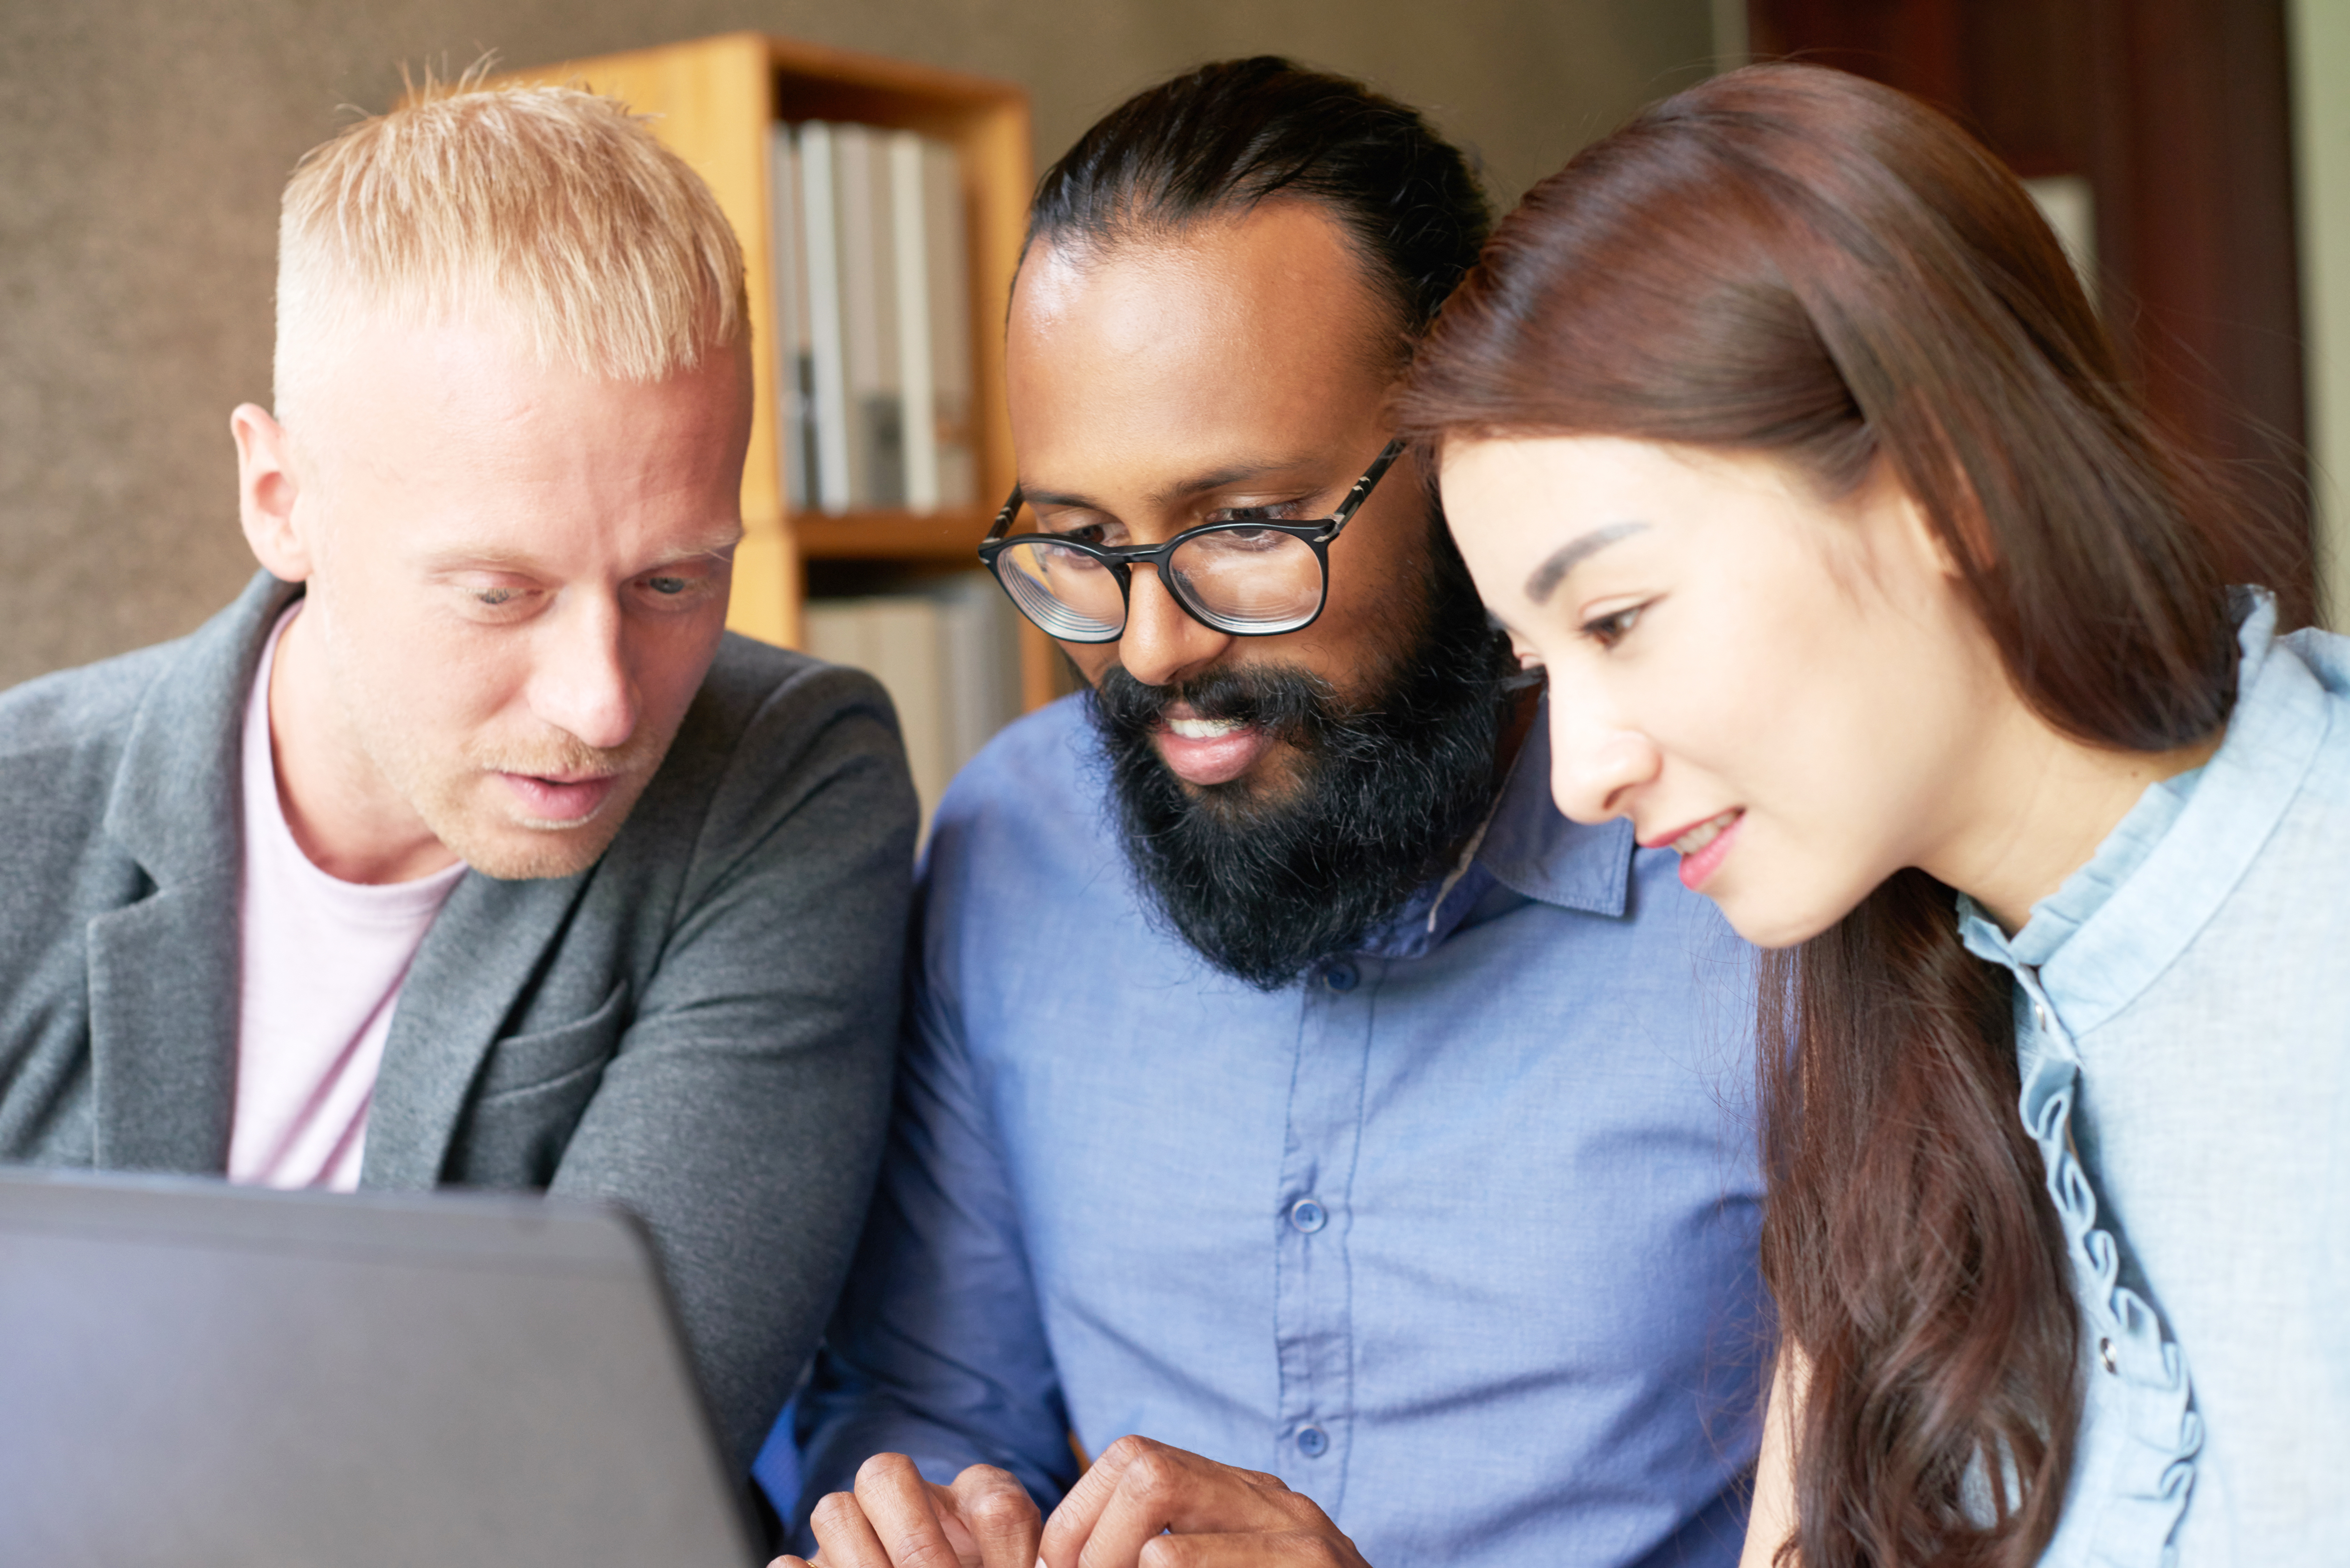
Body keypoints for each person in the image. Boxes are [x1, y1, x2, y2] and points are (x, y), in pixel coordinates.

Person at [780, 59, 1766, 1568]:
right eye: (1081, 543)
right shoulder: (1012, 848)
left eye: (1244, 528)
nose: (1154, 648)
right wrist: (943, 1520)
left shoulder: (1762, 881)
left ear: (1465, 458)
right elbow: (928, 1398)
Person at [1402, 62, 2346, 1568]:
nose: (1577, 774)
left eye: (1622, 618)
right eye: (1539, 664)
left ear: (1951, 484)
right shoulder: (1889, 1077)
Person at [0, 80, 916, 1475]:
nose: (605, 702)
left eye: (675, 580)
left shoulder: (787, 774)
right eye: (499, 592)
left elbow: (602, 1460)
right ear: (280, 499)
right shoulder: (23, 811)